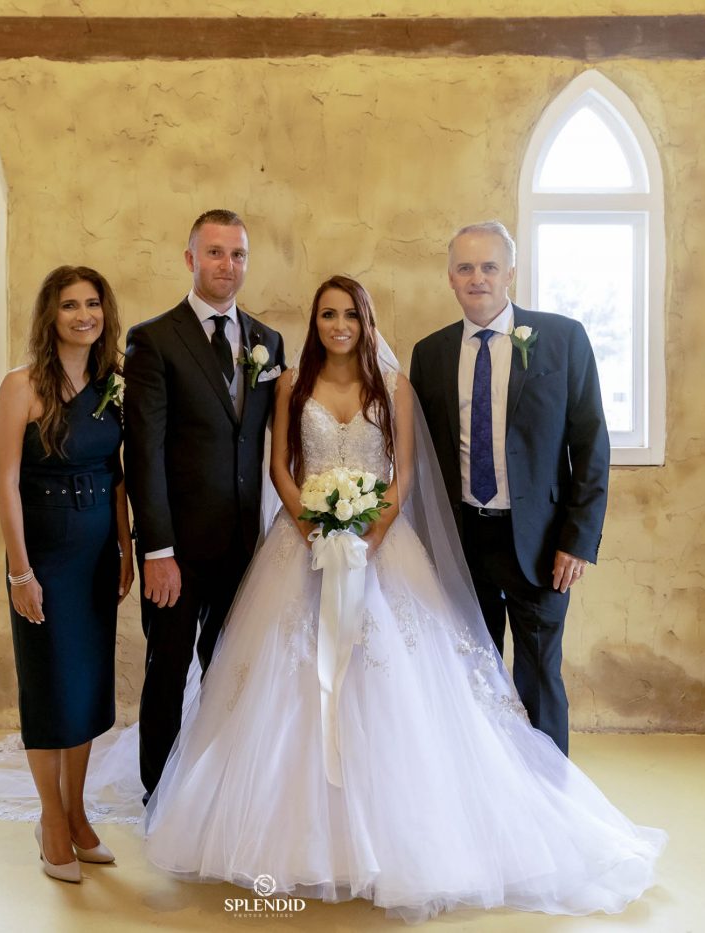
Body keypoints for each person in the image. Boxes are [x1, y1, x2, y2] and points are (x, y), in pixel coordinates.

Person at [143, 275, 663, 921]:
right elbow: (280, 467)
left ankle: (417, 828)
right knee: (286, 683)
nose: (339, 325)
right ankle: (292, 834)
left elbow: (405, 473)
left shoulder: (395, 386)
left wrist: (366, 535)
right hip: (300, 546)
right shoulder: (289, 384)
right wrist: (313, 528)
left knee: (397, 683)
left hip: (379, 546)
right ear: (315, 321)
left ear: (366, 321)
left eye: (350, 315)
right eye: (327, 314)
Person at [410, 221, 609, 755]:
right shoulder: (429, 354)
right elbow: (422, 456)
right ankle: (482, 780)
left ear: (511, 273)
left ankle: (547, 789)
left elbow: (591, 445)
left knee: (539, 675)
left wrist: (578, 540)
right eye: (465, 268)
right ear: (450, 278)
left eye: (489, 266)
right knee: (471, 673)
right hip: (461, 541)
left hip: (541, 543)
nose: (477, 278)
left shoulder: (563, 339)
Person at [124, 209, 286, 800]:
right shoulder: (153, 339)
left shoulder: (267, 342)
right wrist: (157, 550)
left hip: (244, 544)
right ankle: (159, 796)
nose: (227, 265)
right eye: (215, 252)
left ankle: (218, 794)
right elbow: (144, 453)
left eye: (238, 254)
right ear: (190, 258)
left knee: (230, 674)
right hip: (178, 549)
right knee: (167, 672)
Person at [0, 265, 135, 884]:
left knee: (85, 688)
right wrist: (21, 572)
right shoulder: (21, 386)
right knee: (49, 688)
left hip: (98, 552)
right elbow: (5, 483)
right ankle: (50, 819)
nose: (84, 315)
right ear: (50, 315)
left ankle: (77, 812)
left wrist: (126, 548)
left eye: (93, 304)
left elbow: (119, 476)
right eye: (71, 305)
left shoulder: (113, 386)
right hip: (45, 555)